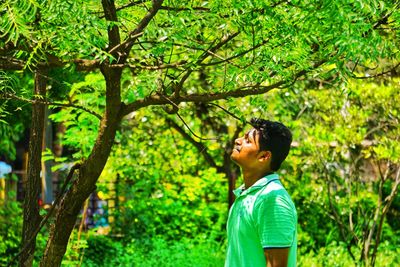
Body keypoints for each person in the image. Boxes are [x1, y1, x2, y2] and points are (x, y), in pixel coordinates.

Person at [225, 118, 297, 267]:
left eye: (248, 140)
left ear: (264, 156)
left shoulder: (272, 200)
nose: (238, 141)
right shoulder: (247, 194)